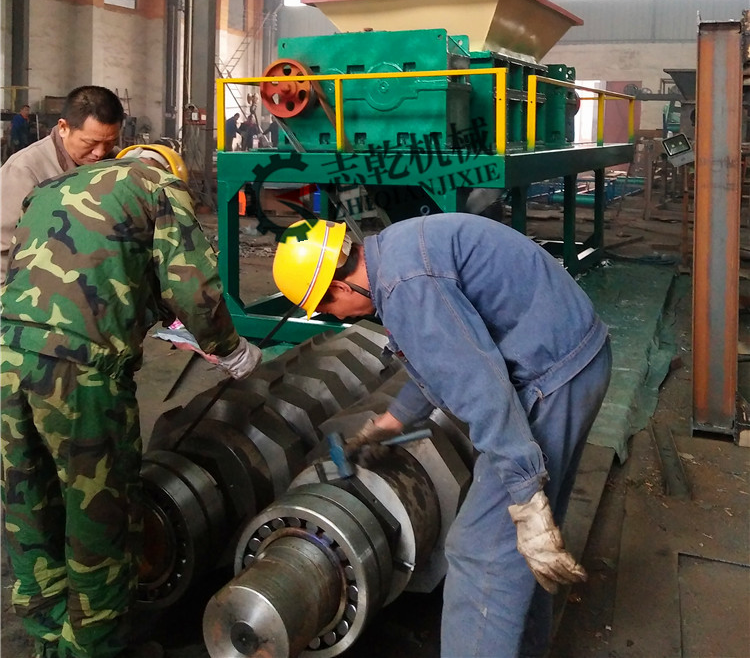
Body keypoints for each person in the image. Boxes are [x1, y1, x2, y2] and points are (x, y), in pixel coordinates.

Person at [272, 213, 612, 658]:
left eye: (324, 310)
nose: (333, 318)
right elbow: (443, 356)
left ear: (338, 289)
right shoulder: (396, 255)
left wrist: (526, 494)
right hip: (576, 358)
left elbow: (481, 387)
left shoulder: (405, 287)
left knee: (479, 554)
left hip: (552, 379)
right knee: (522, 553)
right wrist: (389, 424)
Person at [0, 143, 262, 658]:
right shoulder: (158, 186)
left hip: (7, 356)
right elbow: (193, 287)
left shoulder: (50, 188)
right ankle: (94, 649)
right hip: (79, 375)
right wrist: (229, 349)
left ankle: (47, 638)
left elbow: (60, 273)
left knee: (30, 504)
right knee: (101, 520)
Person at [0, 85, 125, 279]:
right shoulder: (24, 171)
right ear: (63, 128)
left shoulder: (117, 162)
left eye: (109, 142)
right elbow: (3, 249)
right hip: (39, 287)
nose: (99, 152)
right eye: (90, 143)